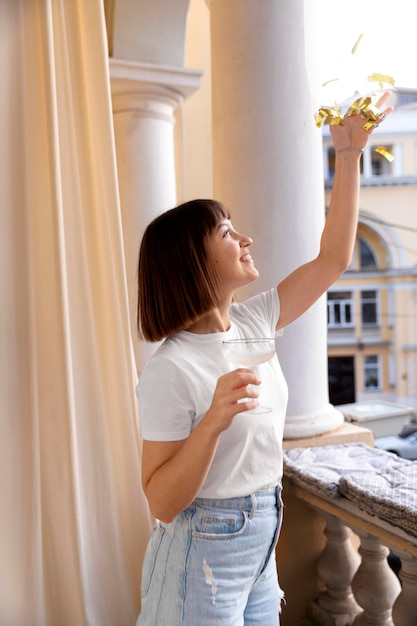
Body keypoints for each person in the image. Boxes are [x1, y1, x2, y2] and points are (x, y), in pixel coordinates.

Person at [135, 92, 393, 626]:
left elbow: (333, 259)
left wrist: (347, 154)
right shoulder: (170, 368)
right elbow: (161, 501)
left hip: (261, 542)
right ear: (192, 262)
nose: (246, 238)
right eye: (227, 233)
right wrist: (211, 422)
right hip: (200, 552)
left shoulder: (253, 321)